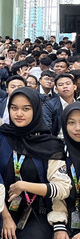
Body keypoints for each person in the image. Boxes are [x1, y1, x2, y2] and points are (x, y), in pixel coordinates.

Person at [0, 88, 71, 239]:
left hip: (36, 211)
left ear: (36, 110)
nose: (19, 114)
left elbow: (62, 188)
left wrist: (24, 186)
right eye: (14, 108)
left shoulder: (50, 144)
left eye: (26, 109)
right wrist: (6, 217)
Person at [60, 102, 80, 238]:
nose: (77, 128)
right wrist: (59, 227)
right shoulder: (59, 152)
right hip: (65, 218)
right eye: (71, 122)